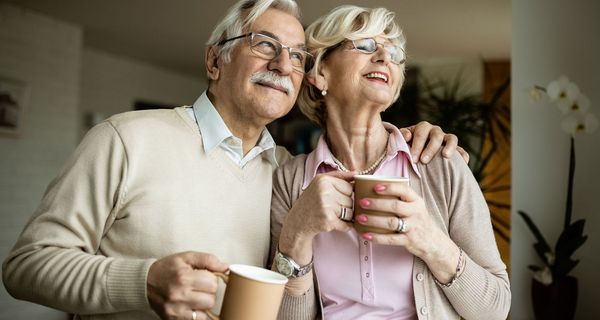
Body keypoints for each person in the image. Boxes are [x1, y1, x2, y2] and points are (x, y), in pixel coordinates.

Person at [2, 1, 463, 320]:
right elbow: (27, 266)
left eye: (297, 55)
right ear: (214, 61)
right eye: (264, 43)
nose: (284, 64)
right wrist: (144, 281)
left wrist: (413, 138)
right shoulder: (126, 137)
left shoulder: (289, 173)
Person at [270, 5, 511, 320]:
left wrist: (430, 239)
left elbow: (495, 308)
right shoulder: (289, 180)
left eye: (395, 53)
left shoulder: (441, 166)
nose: (385, 56)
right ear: (319, 72)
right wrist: (297, 233)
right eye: (366, 45)